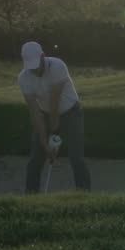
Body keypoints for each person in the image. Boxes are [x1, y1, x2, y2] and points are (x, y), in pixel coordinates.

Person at [18, 41, 91, 193]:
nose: (34, 70)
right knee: (34, 161)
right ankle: (30, 199)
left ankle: (85, 196)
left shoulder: (58, 66)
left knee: (76, 158)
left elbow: (54, 103)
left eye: (35, 65)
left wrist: (54, 136)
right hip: (44, 113)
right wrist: (45, 144)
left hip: (71, 112)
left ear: (43, 56)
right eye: (30, 66)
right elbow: (35, 113)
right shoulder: (24, 78)